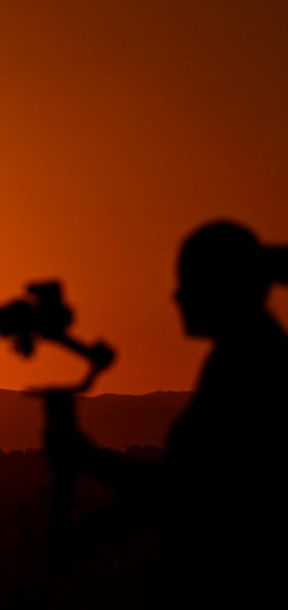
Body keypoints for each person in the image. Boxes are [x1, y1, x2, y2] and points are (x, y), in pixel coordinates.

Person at [44, 221, 288, 607]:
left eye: (188, 282)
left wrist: (89, 462)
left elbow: (195, 495)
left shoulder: (251, 364)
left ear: (221, 284)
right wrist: (84, 534)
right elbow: (187, 495)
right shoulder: (244, 355)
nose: (177, 296)